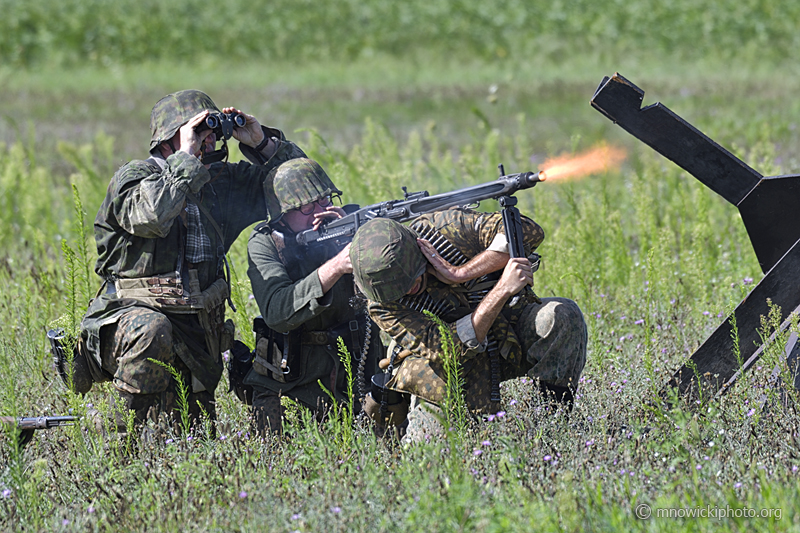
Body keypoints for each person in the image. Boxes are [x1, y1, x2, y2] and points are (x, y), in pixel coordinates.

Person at [64, 89, 306, 430]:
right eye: (197, 132)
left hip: (197, 335)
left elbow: (300, 190)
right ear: (167, 142)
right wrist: (187, 154)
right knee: (152, 333)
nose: (207, 141)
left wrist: (261, 142)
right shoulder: (134, 179)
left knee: (189, 433)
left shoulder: (219, 184)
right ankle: (116, 440)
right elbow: (153, 215)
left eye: (211, 132)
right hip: (131, 323)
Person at [349, 207, 587, 441]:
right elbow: (447, 350)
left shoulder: (443, 228)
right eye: (399, 291)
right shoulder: (380, 305)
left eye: (410, 279)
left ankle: (550, 431)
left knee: (561, 315)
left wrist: (461, 273)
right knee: (432, 455)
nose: (410, 290)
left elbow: (528, 230)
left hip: (504, 335)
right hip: (441, 366)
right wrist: (502, 289)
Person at [242, 158, 382, 434]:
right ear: (282, 215)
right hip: (296, 380)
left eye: (324, 200)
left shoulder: (349, 226)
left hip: (359, 370)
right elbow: (277, 311)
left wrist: (358, 241)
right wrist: (335, 266)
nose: (319, 212)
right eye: (307, 207)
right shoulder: (266, 244)